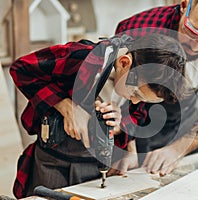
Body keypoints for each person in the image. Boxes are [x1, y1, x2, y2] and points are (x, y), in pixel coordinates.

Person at [10, 33, 187, 198]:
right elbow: (21, 69)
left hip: (95, 167)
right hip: (54, 162)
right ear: (124, 63)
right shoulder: (83, 57)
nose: (134, 101)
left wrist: (120, 126)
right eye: (136, 94)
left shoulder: (139, 80)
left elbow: (136, 116)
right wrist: (66, 107)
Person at [115, 0, 198, 175]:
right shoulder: (141, 28)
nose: (196, 47)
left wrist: (177, 150)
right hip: (137, 119)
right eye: (193, 32)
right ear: (185, 5)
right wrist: (128, 148)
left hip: (187, 121)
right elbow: (122, 94)